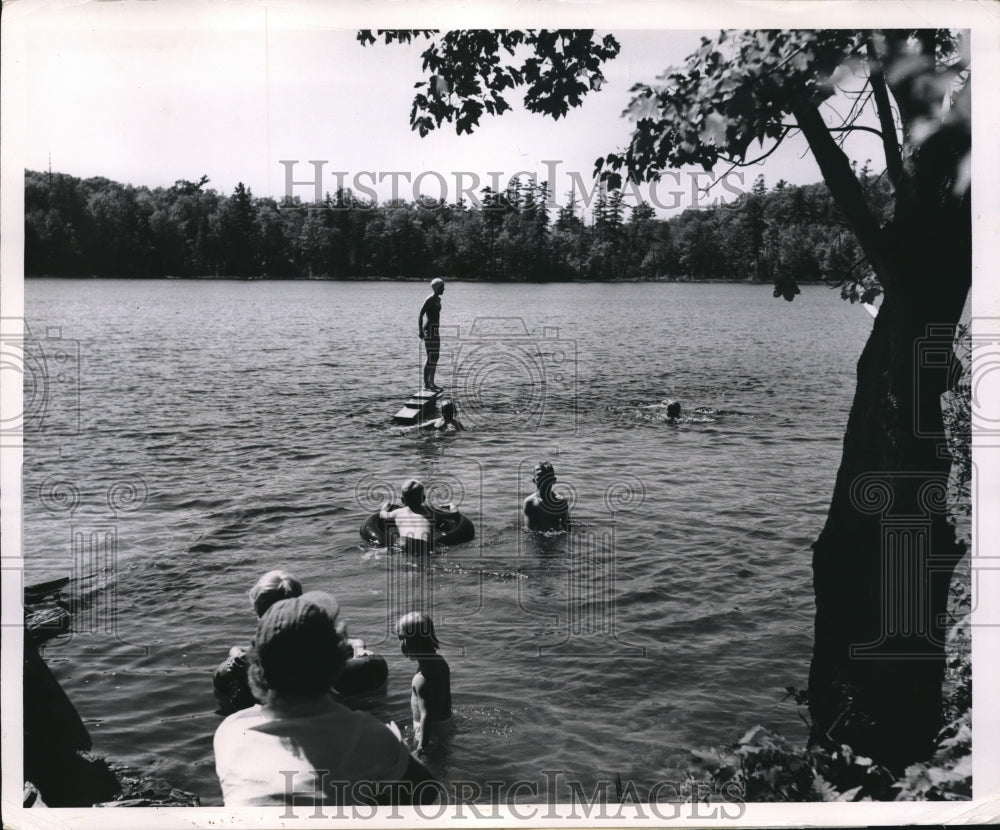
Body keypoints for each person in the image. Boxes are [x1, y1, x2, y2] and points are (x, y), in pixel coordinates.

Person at [214, 591, 437, 806]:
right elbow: (428, 792)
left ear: (258, 667)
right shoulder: (367, 733)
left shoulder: (229, 731)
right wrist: (396, 749)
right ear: (336, 663)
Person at [213, 570, 388, 715]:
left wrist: (359, 653)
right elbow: (240, 649)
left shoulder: (279, 640)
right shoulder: (302, 634)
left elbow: (353, 642)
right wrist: (235, 654)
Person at [396, 612, 452, 754]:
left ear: (412, 643)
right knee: (443, 756)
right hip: (446, 722)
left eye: (401, 638)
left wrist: (421, 747)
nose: (399, 643)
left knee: (428, 760)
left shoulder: (420, 679)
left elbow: (426, 716)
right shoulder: (441, 663)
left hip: (429, 731)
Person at [522, 461, 570, 532]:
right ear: (534, 481)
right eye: (539, 479)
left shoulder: (560, 502)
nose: (543, 483)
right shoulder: (530, 503)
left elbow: (567, 528)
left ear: (553, 481)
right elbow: (529, 530)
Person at [418, 278, 445, 392]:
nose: (444, 289)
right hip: (429, 330)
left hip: (435, 330)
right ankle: (425, 384)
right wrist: (420, 331)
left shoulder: (438, 299)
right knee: (430, 357)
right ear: (436, 288)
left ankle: (432, 383)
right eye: (442, 287)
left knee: (436, 356)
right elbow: (420, 315)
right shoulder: (429, 299)